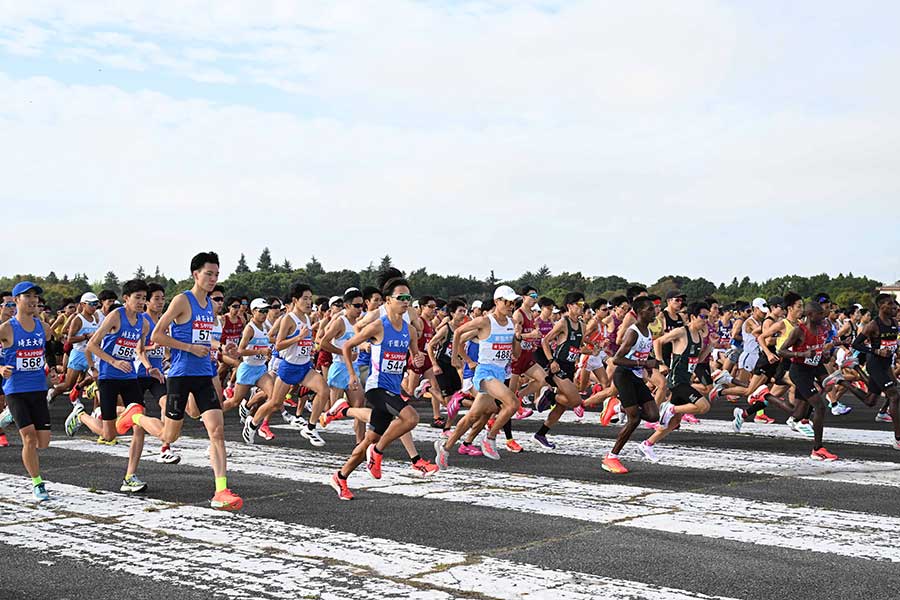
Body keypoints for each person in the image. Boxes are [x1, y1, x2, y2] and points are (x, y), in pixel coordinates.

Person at [124, 251, 243, 510]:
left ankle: (221, 490)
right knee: (170, 435)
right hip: (180, 376)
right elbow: (157, 335)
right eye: (208, 274)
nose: (213, 279)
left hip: (204, 375)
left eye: (216, 274)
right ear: (195, 274)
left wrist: (222, 349)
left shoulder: (210, 307)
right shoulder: (182, 300)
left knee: (217, 431)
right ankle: (135, 417)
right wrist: (188, 348)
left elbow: (204, 340)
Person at [330, 278, 429, 500]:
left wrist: (418, 359)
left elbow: (415, 357)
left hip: (393, 388)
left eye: (408, 298)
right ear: (388, 301)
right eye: (401, 298)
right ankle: (377, 452)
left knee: (369, 439)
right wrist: (353, 375)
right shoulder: (378, 325)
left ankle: (341, 476)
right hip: (376, 387)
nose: (406, 302)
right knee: (410, 418)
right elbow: (347, 346)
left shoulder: (409, 331)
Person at [67, 279, 155, 492]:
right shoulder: (116, 316)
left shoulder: (143, 322)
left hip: (129, 378)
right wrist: (114, 361)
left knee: (139, 424)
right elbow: (92, 345)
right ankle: (81, 415)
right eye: (138, 298)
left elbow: (140, 349)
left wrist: (149, 367)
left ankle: (130, 476)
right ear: (126, 299)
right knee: (109, 435)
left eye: (144, 298)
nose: (142, 302)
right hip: (108, 377)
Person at [434, 286, 521, 467]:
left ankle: (445, 447)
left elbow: (516, 354)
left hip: (500, 373)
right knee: (512, 403)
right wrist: (457, 359)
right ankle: (489, 439)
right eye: (507, 302)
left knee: (473, 416)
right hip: (485, 372)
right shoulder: (484, 321)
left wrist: (518, 339)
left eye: (513, 303)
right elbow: (457, 332)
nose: (511, 306)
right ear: (497, 302)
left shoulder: (512, 324)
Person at [242, 283, 329, 447]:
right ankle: (252, 423)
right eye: (305, 299)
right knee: (274, 402)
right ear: (295, 300)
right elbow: (279, 344)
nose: (309, 302)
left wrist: (308, 347)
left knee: (323, 390)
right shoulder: (288, 319)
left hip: (304, 367)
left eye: (311, 299)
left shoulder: (307, 318)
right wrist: (298, 338)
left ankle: (310, 427)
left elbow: (305, 340)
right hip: (288, 367)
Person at [0, 281, 55, 501]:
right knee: (29, 439)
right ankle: (37, 483)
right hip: (15, 390)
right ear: (16, 300)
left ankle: (6, 416)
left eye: (35, 296)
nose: (33, 300)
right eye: (27, 296)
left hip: (38, 389)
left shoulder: (43, 327)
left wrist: (51, 370)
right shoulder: (7, 328)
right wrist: (1, 367)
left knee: (43, 442)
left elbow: (49, 350)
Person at [602, 297, 660, 474]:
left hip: (635, 376)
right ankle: (611, 457)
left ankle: (619, 406)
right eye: (650, 309)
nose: (654, 312)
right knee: (634, 419)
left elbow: (641, 356)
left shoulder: (647, 331)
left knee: (652, 415)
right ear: (639, 312)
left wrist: (650, 364)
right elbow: (617, 359)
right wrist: (643, 365)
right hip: (624, 376)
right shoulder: (633, 332)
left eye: (654, 309)